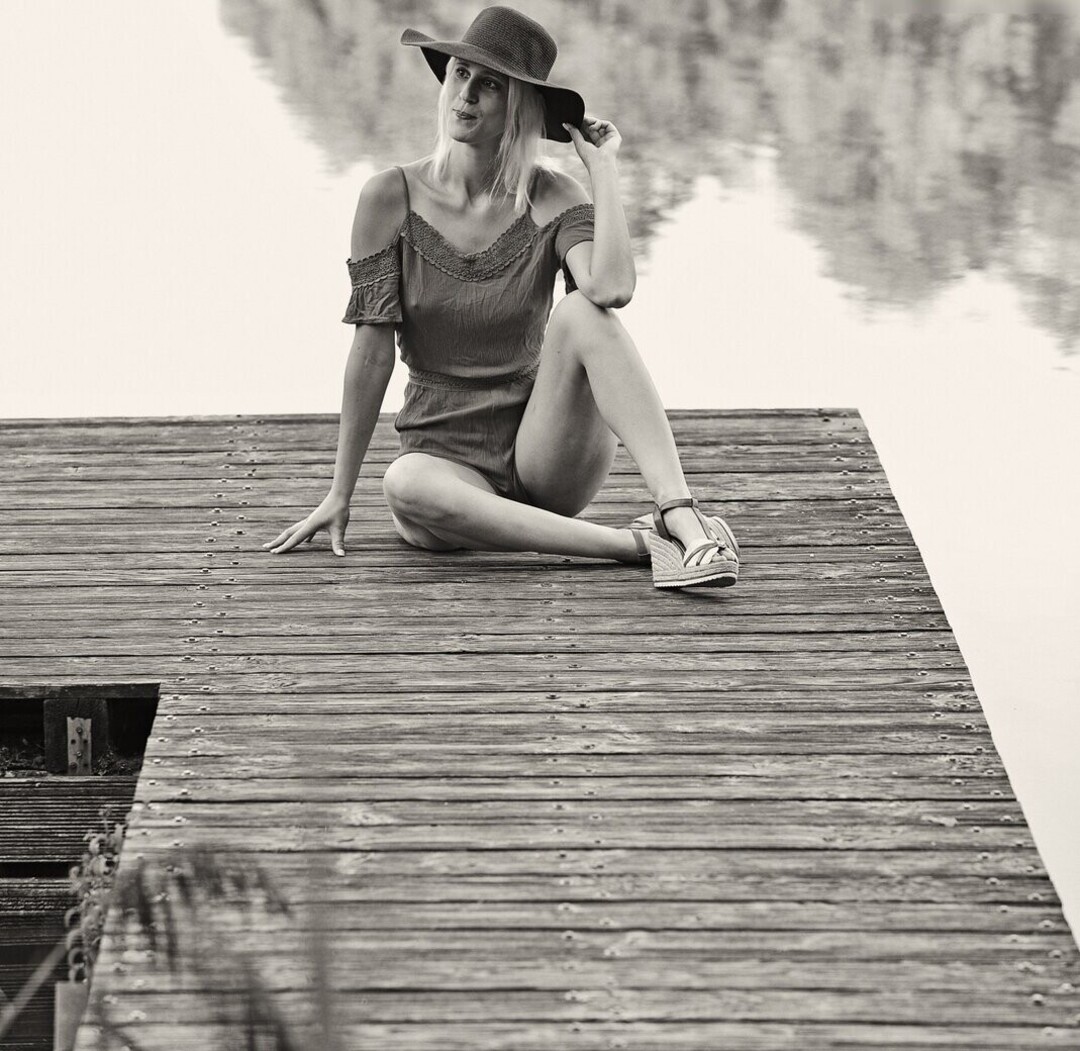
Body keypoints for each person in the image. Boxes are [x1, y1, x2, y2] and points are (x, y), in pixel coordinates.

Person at [264, 5, 740, 589]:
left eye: (489, 84)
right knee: (404, 483)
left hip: (544, 457)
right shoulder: (389, 197)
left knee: (582, 312)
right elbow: (371, 352)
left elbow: (612, 289)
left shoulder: (552, 196)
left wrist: (604, 172)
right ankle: (635, 546)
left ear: (519, 106)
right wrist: (339, 493)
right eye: (460, 74)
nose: (465, 95)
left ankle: (681, 515)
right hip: (443, 470)